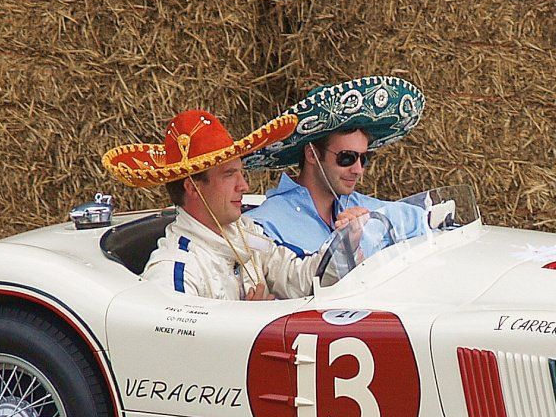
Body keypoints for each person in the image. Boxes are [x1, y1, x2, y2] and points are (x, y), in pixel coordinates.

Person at [102, 109, 356, 299]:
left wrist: (345, 243)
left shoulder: (245, 233)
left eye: (240, 173)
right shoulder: (174, 272)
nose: (243, 186)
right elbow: (181, 359)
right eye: (228, 175)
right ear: (193, 187)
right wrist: (251, 322)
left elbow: (298, 279)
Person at [245, 76, 432, 256]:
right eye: (347, 158)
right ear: (312, 154)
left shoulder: (363, 207)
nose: (358, 169)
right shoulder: (266, 224)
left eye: (364, 158)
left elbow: (430, 220)